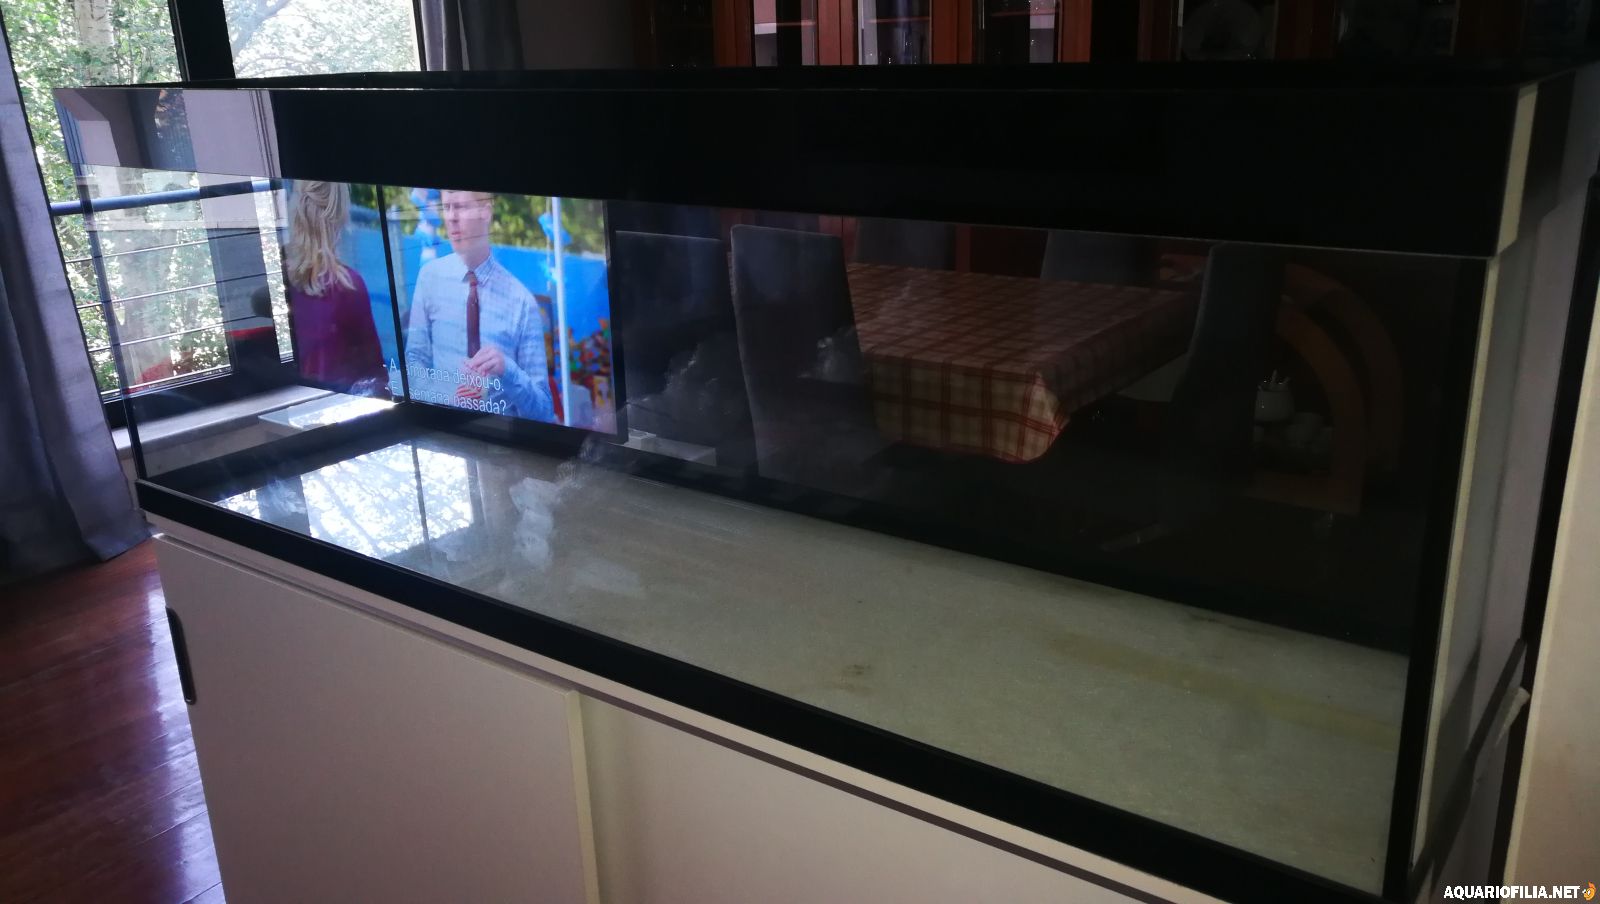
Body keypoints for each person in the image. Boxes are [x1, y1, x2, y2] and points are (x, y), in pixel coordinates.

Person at [404, 189, 554, 421]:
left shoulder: (522, 302)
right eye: (446, 207)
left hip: (500, 438)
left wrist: (507, 370)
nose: (451, 218)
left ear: (486, 212)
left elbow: (543, 411)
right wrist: (444, 399)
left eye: (460, 207)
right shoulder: (429, 278)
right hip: (442, 432)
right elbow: (414, 362)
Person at [283, 181, 389, 396]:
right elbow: (374, 376)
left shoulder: (281, 276)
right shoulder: (347, 285)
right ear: (340, 214)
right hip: (338, 407)